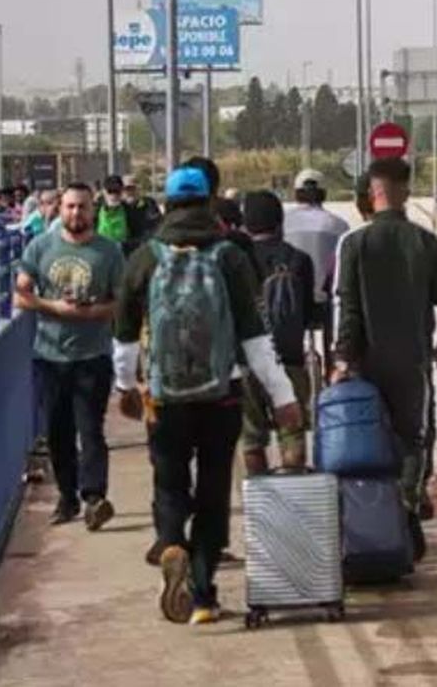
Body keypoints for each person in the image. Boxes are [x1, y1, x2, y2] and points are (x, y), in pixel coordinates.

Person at [112, 166, 303, 626]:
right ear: (208, 201)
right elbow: (256, 336)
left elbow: (122, 335)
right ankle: (202, 596)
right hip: (223, 394)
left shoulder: (146, 257)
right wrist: (283, 396)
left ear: (168, 205)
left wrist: (125, 386)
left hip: (165, 395)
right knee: (214, 489)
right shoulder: (228, 257)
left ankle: (172, 539)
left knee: (169, 479)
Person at [332, 157, 437, 540]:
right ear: (404, 191)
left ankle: (372, 518)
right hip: (412, 359)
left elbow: (349, 308)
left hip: (366, 362)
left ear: (374, 192)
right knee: (414, 437)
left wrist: (342, 359)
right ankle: (408, 506)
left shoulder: (354, 244)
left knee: (366, 438)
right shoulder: (425, 241)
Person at [15, 182, 126, 529]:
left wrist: (93, 312)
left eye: (82, 207)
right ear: (59, 209)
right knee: (58, 432)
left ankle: (94, 497)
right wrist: (55, 307)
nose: (76, 213)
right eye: (70, 207)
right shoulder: (40, 247)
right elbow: (21, 295)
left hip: (92, 355)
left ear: (93, 210)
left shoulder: (109, 252)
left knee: (90, 428)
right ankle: (67, 498)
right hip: (49, 356)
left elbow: (121, 300)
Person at [238, 190, 317, 476]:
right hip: (289, 359)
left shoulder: (236, 260)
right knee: (292, 432)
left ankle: (260, 500)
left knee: (251, 439)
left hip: (247, 364)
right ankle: (293, 497)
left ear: (246, 223)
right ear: (280, 221)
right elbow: (308, 314)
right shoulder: (299, 260)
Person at [283, 168, 350, 375]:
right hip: (327, 303)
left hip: (292, 304)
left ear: (296, 193)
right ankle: (334, 370)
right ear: (323, 193)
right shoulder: (339, 225)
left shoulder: (283, 222)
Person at [123, 178, 163, 255]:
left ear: (138, 189)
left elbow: (157, 223)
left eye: (133, 189)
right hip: (126, 248)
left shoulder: (149, 203)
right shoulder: (120, 208)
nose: (130, 192)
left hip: (146, 246)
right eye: (127, 189)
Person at [97, 175, 130, 246]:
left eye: (117, 191)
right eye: (110, 191)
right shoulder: (94, 210)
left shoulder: (129, 210)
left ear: (122, 191)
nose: (113, 195)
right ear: (104, 192)